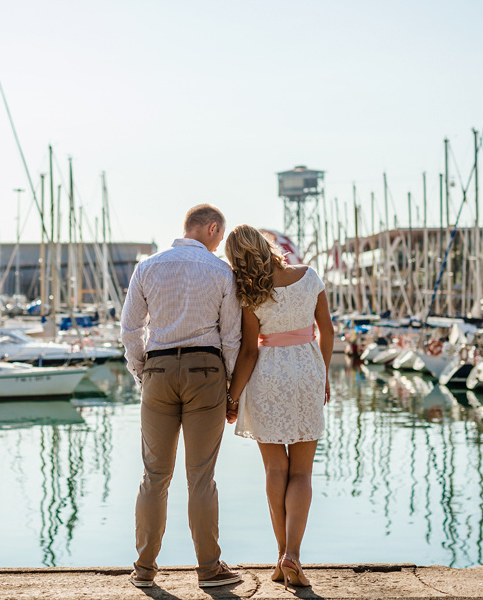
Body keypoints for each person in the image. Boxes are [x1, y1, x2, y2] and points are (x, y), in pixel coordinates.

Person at [121, 204, 243, 589]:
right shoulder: (221, 270)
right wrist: (230, 389)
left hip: (157, 369)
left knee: (154, 476)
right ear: (211, 228)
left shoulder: (148, 267)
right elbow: (232, 338)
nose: (219, 243)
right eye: (219, 236)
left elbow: (130, 329)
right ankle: (209, 569)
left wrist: (143, 372)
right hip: (206, 370)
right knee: (201, 477)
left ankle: (143, 570)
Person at [223, 224, 332, 589]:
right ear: (266, 245)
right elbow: (326, 332)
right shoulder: (308, 275)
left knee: (274, 470)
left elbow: (251, 350)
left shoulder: (249, 292)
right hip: (306, 371)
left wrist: (233, 398)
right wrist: (325, 374)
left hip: (268, 374)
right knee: (302, 473)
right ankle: (293, 556)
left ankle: (281, 553)